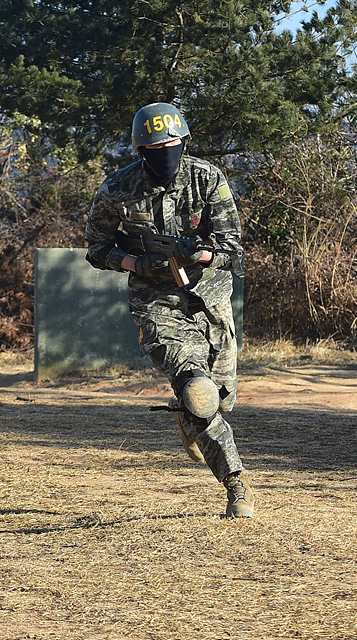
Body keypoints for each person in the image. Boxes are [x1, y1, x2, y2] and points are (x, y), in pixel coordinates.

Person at [84, 102, 253, 518]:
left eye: (174, 143)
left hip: (210, 299)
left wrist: (204, 253)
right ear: (142, 150)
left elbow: (235, 248)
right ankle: (237, 485)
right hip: (156, 303)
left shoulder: (207, 178)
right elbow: (97, 247)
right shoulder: (118, 189)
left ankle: (189, 417)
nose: (167, 151)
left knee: (223, 401)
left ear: (185, 141)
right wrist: (134, 262)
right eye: (157, 145)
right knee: (199, 392)